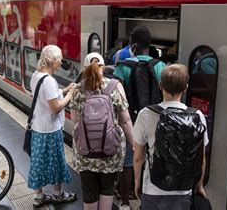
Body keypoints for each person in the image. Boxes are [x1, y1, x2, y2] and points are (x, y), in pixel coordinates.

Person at [133, 64, 209, 209]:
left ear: (160, 86)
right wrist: (198, 186)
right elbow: (201, 158)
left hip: (153, 188)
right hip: (183, 189)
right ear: (185, 87)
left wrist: (138, 183)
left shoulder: (145, 114)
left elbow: (138, 157)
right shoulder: (197, 116)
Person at [70, 53, 134, 210]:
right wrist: (133, 144)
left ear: (85, 68)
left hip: (85, 152)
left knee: (89, 190)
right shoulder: (115, 86)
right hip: (110, 151)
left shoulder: (78, 89)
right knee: (107, 188)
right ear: (103, 67)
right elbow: (125, 120)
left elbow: (75, 120)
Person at [113, 26, 166, 210]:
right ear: (148, 45)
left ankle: (126, 202)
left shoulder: (123, 67)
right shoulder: (160, 66)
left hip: (130, 119)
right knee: (152, 157)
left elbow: (116, 97)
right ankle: (148, 198)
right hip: (155, 120)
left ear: (133, 45)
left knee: (129, 160)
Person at [27, 45, 77, 208]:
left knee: (38, 162)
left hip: (38, 127)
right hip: (50, 129)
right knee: (55, 162)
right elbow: (55, 107)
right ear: (53, 61)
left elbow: (46, 96)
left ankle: (39, 196)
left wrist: (64, 90)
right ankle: (58, 194)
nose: (61, 62)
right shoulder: (49, 81)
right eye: (60, 59)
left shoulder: (36, 75)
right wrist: (70, 94)